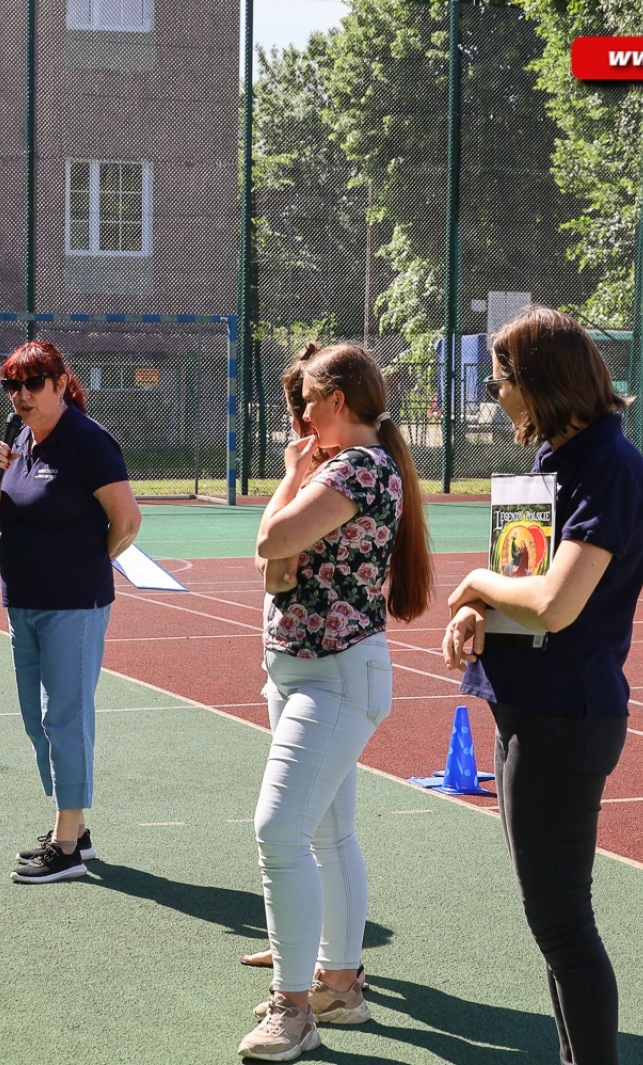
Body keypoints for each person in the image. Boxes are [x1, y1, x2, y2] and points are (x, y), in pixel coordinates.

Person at [441, 306, 643, 1065]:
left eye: (501, 380)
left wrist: (471, 579)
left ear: (537, 384)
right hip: (527, 710)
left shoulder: (608, 467)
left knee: (564, 923)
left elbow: (557, 604)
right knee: (552, 922)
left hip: (566, 720)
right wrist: (474, 610)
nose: (496, 393)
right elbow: (521, 588)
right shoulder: (555, 462)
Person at [242, 341, 433, 1061]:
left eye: (309, 402)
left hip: (334, 675)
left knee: (278, 828)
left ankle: (293, 1006)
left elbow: (272, 538)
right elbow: (275, 566)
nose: (300, 413)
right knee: (326, 834)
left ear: (339, 403)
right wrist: (294, 478)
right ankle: (340, 986)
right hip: (303, 671)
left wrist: (289, 482)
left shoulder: (359, 465)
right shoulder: (335, 466)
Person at [0, 340, 141, 884]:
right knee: (35, 717)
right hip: (22, 600)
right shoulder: (19, 438)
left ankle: (67, 846)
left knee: (64, 716)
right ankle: (76, 829)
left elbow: (128, 521)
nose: (21, 395)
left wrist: (88, 562)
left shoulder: (87, 442)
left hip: (73, 604)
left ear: (60, 383)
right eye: (11, 386)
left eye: (32, 384)